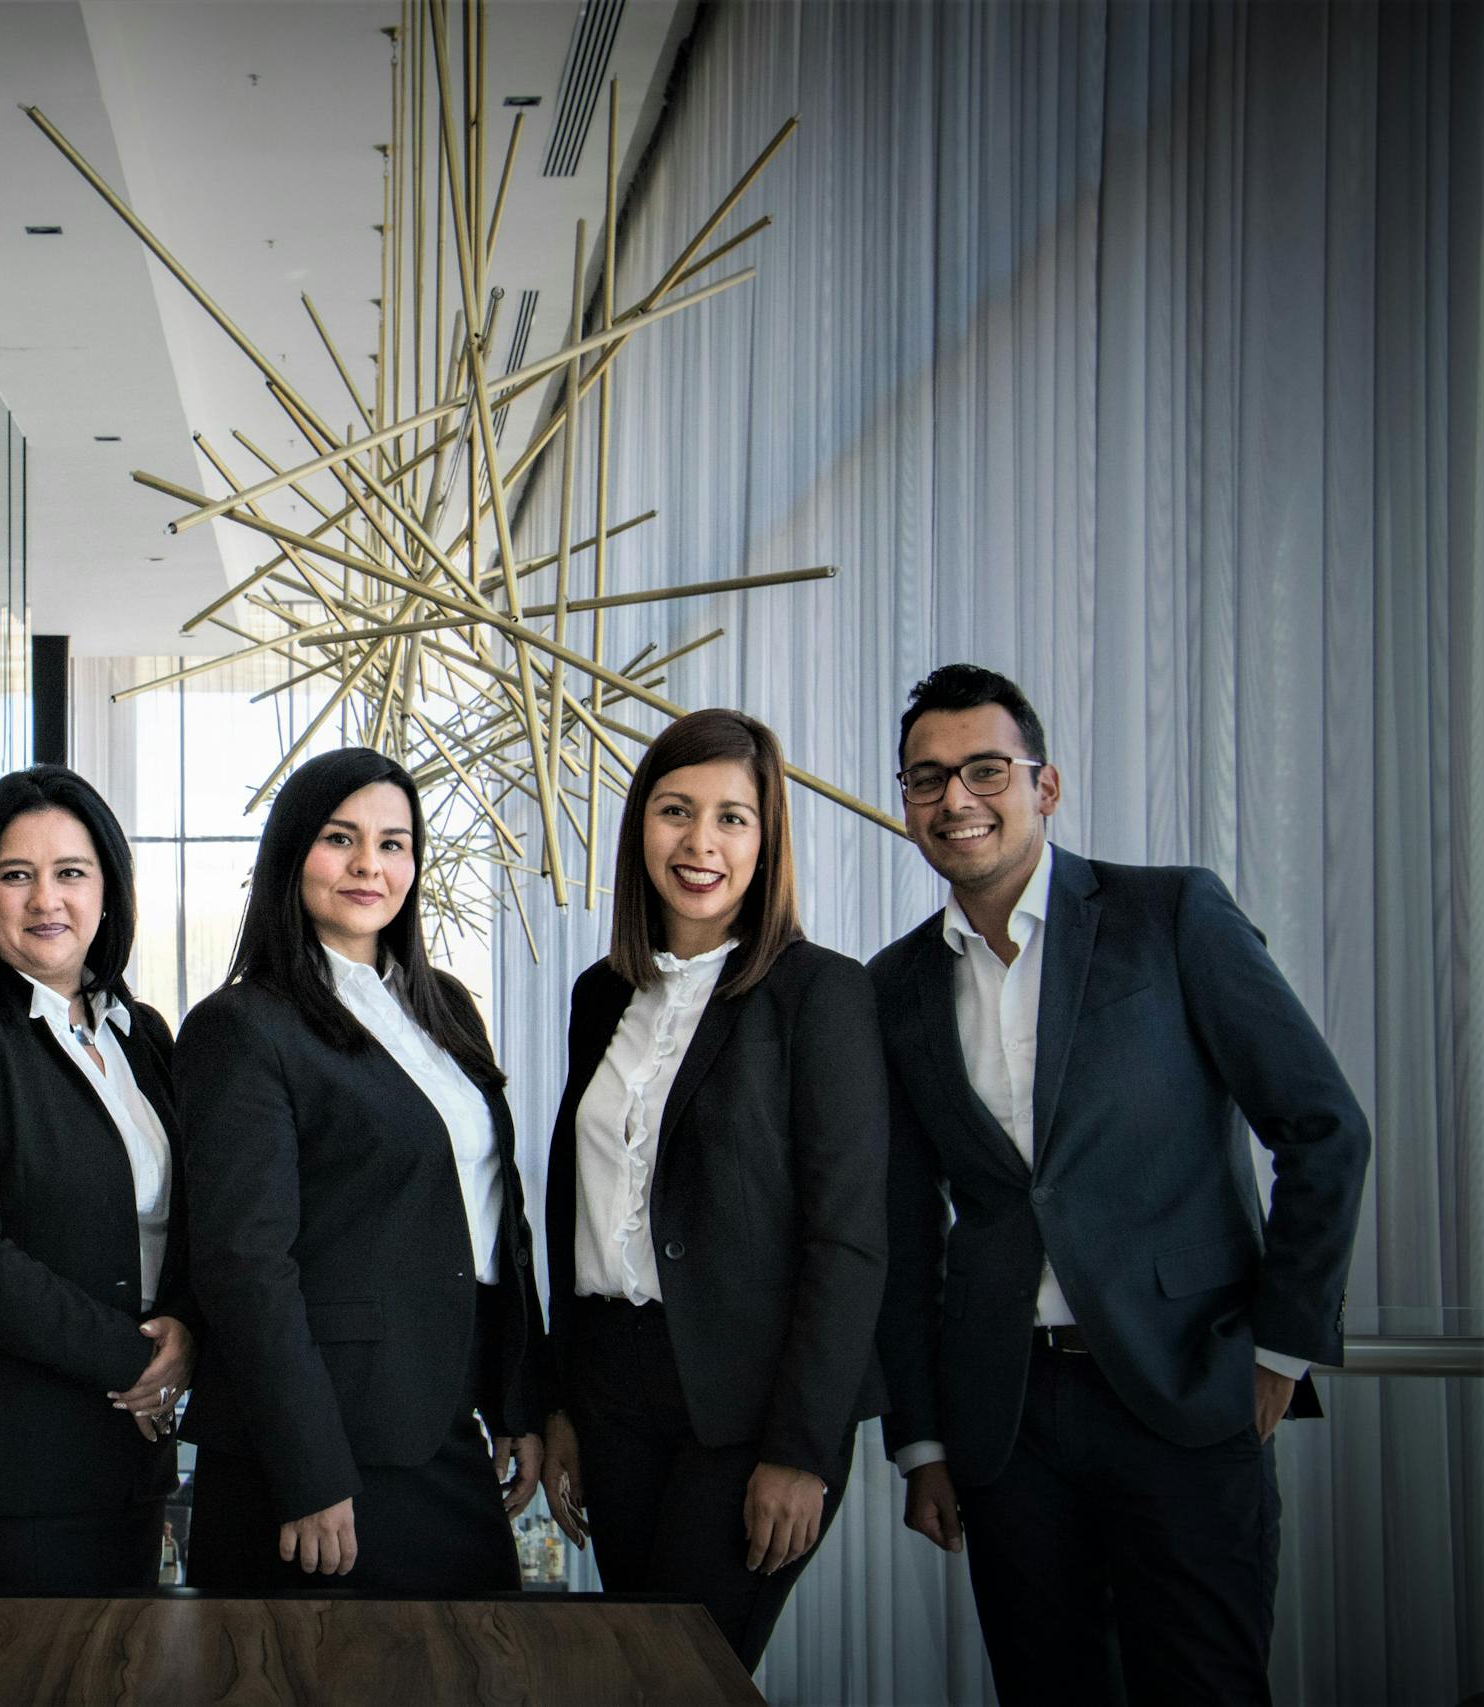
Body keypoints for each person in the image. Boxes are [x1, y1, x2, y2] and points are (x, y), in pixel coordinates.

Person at [871, 663, 1371, 1706]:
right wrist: (920, 1438)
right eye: (927, 778)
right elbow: (904, 1227)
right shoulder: (894, 984)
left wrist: (1278, 1348)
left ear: (1043, 788)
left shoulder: (1171, 914)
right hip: (1004, 1426)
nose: (955, 799)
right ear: (904, 802)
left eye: (984, 770)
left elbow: (1322, 1128)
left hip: (1186, 1398)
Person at [536, 709, 888, 1671]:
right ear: (639, 827)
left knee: (687, 1675)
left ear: (766, 839)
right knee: (631, 1667)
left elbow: (850, 1237)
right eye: (676, 810)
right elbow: (582, 1206)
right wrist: (565, 1401)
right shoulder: (599, 994)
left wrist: (804, 1448)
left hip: (749, 1410)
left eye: (733, 817)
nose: (700, 843)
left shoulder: (822, 994)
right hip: (612, 1389)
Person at [176, 746, 544, 1595]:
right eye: (341, 838)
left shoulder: (445, 1005)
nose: (369, 865)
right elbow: (245, 1263)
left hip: (447, 1415)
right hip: (325, 1441)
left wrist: (517, 1396)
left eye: (394, 842)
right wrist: (309, 1468)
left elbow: (495, 1215)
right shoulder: (242, 1025)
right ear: (292, 851)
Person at [0, 766, 193, 1591]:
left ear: (108, 891)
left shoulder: (142, 1034)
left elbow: (188, 1219)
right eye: (17, 874)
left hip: (128, 1456)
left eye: (71, 873)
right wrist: (135, 1357)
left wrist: (187, 1332)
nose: (46, 898)